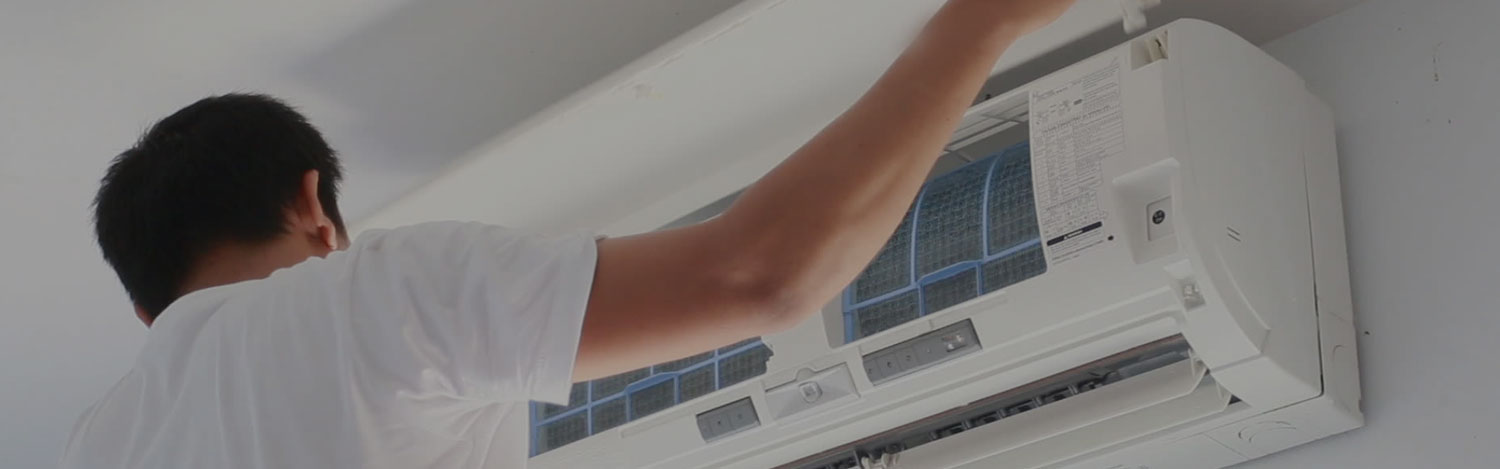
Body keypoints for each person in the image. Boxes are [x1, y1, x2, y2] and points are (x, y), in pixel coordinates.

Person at [60, 0, 1075, 467]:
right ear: (314, 207)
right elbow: (760, 274)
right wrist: (978, 22)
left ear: (149, 313)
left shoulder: (96, 443)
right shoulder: (362, 297)